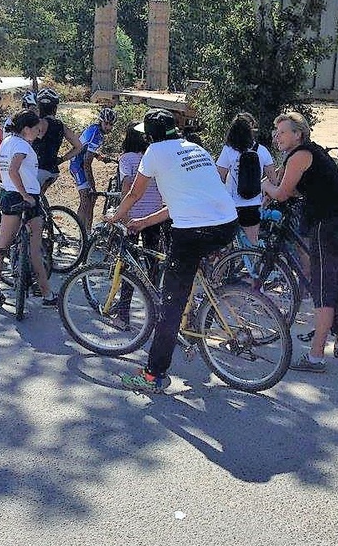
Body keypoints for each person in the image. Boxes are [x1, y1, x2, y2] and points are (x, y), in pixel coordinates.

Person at [107, 109, 237, 393]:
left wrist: (117, 217)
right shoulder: (195, 147)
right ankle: (194, 320)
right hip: (226, 224)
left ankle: (153, 375)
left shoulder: (154, 151)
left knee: (170, 304)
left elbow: (134, 194)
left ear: (151, 135)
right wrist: (142, 222)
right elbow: (179, 205)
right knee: (185, 278)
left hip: (194, 233)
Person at [262, 111, 338, 371]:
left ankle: (316, 356)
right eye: (276, 132)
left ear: (298, 134)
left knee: (323, 290)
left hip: (328, 225)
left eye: (282, 132)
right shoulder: (311, 153)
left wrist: (265, 187)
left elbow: (281, 193)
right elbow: (295, 188)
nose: (277, 136)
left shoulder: (300, 155)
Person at [0, 110, 58, 308]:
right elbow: (12, 169)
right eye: (37, 129)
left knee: (1, 246)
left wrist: (10, 186)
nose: (39, 133)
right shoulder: (23, 146)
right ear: (27, 129)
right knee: (35, 249)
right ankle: (47, 294)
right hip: (28, 197)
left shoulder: (6, 142)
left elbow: (1, 171)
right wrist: (25, 194)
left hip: (9, 195)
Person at [216, 113, 278, 245]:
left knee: (224, 246)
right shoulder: (262, 150)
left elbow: (219, 177)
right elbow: (273, 179)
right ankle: (255, 264)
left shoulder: (228, 150)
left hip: (231, 205)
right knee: (253, 243)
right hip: (253, 204)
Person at [118, 126, 165, 253]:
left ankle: (130, 273)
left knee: (129, 254)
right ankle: (152, 273)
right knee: (152, 253)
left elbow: (126, 185)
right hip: (154, 212)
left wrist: (122, 211)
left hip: (134, 213)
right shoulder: (152, 157)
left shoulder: (126, 159)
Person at [69, 107, 117, 231]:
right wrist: (92, 185)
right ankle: (82, 233)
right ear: (101, 121)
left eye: (111, 125)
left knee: (90, 200)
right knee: (86, 199)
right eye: (106, 124)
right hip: (77, 165)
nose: (109, 127)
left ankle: (87, 231)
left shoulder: (96, 130)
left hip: (79, 163)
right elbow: (86, 163)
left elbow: (84, 148)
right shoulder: (96, 134)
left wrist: (98, 155)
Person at [32, 89, 82, 194]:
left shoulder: (39, 124)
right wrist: (62, 159)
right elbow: (78, 146)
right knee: (38, 199)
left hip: (38, 170)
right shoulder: (61, 125)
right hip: (52, 170)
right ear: (55, 108)